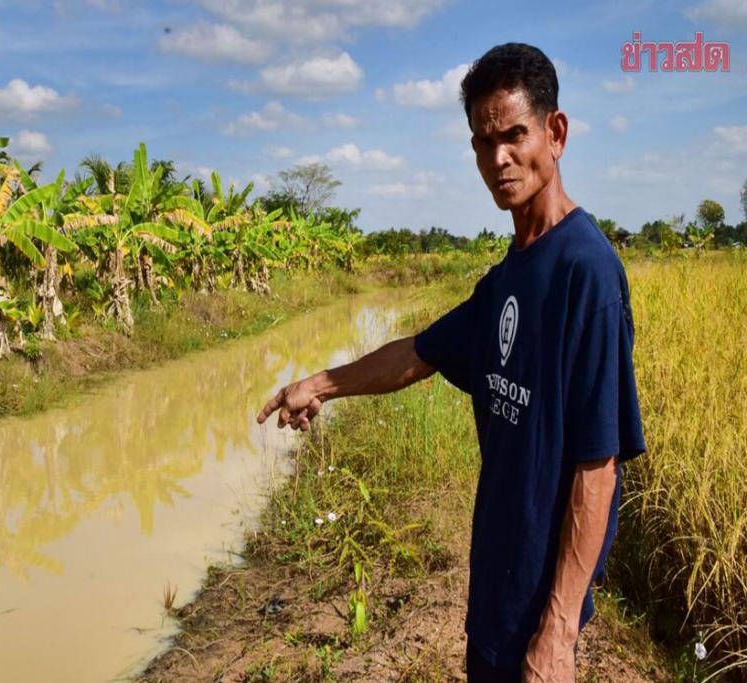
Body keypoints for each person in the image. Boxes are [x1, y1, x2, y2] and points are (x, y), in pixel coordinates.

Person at [256, 42, 646, 683]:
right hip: (497, 578)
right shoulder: (507, 278)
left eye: (515, 135)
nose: (498, 158)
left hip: (539, 603)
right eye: (482, 142)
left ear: (556, 132)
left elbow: (597, 466)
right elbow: (418, 354)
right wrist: (318, 385)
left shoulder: (587, 270)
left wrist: (560, 627)